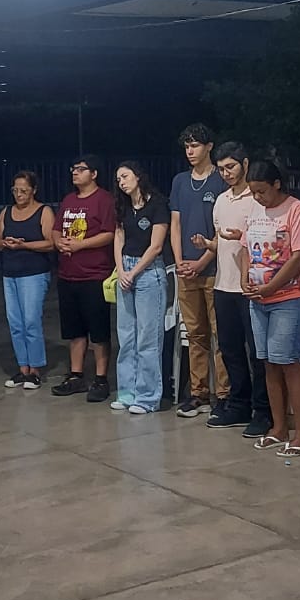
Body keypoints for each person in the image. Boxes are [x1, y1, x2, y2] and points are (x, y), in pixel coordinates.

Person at [241, 159, 300, 456]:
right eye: (253, 192)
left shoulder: (296, 210)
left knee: (289, 362)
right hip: (258, 299)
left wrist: (272, 286)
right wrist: (246, 278)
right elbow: (245, 248)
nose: (258, 197)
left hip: (289, 297)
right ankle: (278, 427)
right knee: (268, 362)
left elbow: (299, 254)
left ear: (277, 184)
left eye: (262, 191)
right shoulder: (255, 210)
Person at [204, 142, 272, 436]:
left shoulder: (256, 199)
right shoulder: (221, 200)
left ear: (245, 164)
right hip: (224, 284)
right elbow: (220, 240)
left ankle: (264, 409)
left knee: (257, 351)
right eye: (221, 169)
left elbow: (264, 237)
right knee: (229, 348)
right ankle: (238, 404)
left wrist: (241, 236)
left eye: (230, 167)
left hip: (251, 286)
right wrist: (208, 245)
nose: (226, 173)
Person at [169, 122, 228, 419]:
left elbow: (223, 226)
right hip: (186, 270)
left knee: (221, 333)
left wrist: (203, 260)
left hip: (215, 268)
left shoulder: (220, 180)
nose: (190, 151)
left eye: (195, 145)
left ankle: (224, 394)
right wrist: (180, 261)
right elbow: (175, 224)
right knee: (195, 334)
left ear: (209, 147)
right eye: (187, 146)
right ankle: (198, 393)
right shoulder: (180, 181)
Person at [50, 156, 116, 401]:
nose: (75, 173)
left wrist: (81, 245)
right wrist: (59, 242)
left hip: (94, 274)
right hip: (68, 274)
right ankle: (76, 375)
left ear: (94, 173)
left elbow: (109, 233)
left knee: (98, 331)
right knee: (74, 330)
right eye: (73, 169)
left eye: (81, 169)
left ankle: (100, 378)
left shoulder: (104, 200)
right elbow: (56, 228)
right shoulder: (69, 200)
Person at [111, 162, 170, 414]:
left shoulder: (157, 204)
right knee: (126, 336)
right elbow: (118, 237)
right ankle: (127, 392)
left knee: (148, 337)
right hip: (125, 268)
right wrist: (121, 270)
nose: (122, 182)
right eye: (118, 179)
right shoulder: (123, 206)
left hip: (148, 272)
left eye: (125, 176)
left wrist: (134, 272)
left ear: (138, 176)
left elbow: (156, 246)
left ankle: (147, 396)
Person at [0, 172, 55, 390]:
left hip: (34, 273)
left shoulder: (44, 212)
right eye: (15, 190)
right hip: (10, 273)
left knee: (31, 320)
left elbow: (50, 243)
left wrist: (25, 245)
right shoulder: (6, 212)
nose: (19, 194)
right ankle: (23, 367)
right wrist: (4, 242)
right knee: (16, 323)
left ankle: (35, 369)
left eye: (23, 190)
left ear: (33, 190)